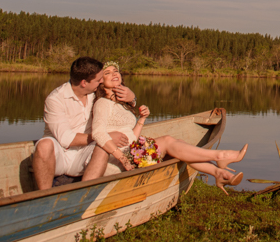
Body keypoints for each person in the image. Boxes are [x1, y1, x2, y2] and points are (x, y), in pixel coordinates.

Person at [89, 61, 248, 192]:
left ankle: (218, 172)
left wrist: (141, 120)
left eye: (115, 71)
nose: (114, 74)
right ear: (100, 81)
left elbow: (131, 137)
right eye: (107, 73)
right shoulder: (102, 104)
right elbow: (97, 133)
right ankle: (220, 156)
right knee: (168, 141)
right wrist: (122, 158)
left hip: (132, 152)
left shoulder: (121, 105)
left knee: (179, 146)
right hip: (117, 160)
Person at [32, 56, 136, 190]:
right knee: (44, 144)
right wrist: (104, 135)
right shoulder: (55, 99)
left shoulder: (95, 93)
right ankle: (44, 196)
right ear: (83, 83)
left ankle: (84, 195)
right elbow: (66, 139)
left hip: (87, 153)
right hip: (60, 155)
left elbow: (119, 107)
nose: (101, 82)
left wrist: (133, 97)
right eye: (98, 80)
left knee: (103, 146)